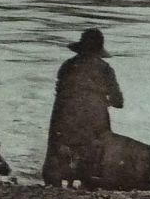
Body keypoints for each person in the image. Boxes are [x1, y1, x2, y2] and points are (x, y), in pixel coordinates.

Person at [41, 28, 124, 188]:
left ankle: (54, 184)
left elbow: (59, 91)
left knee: (57, 150)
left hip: (63, 117)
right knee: (95, 151)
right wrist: (103, 100)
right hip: (93, 119)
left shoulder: (67, 65)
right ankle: (88, 182)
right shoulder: (105, 69)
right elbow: (118, 101)